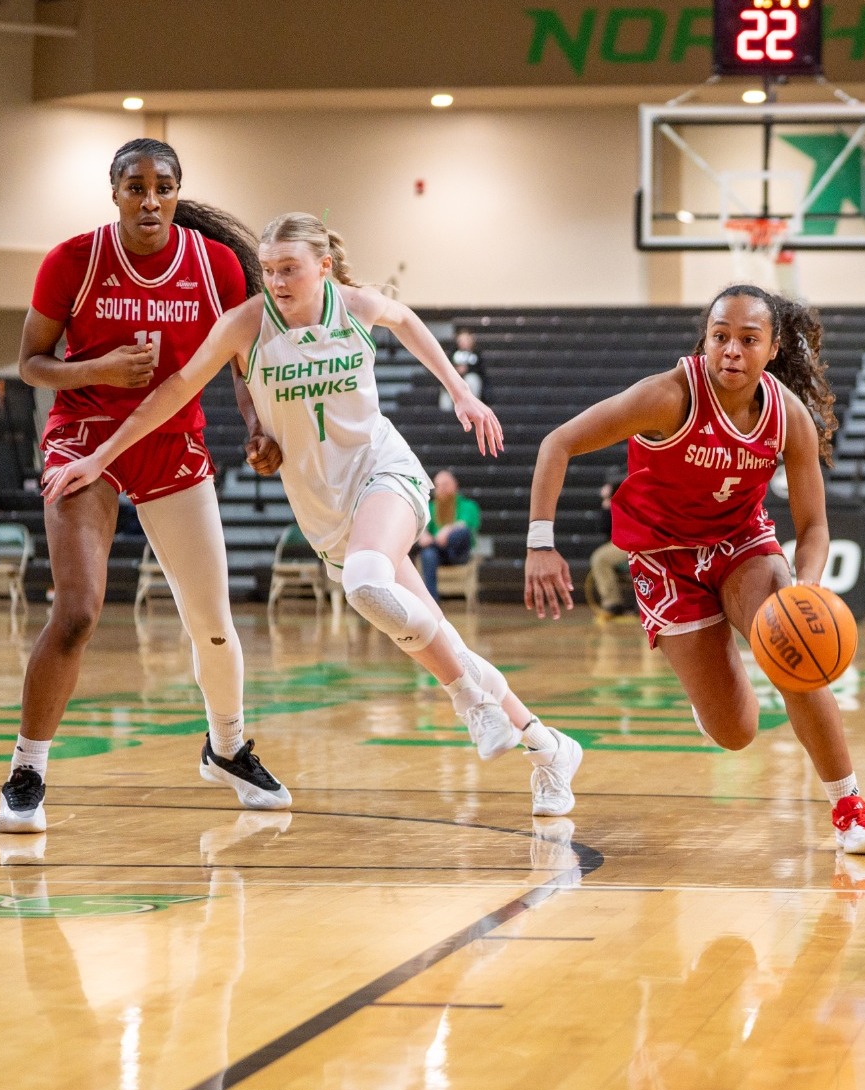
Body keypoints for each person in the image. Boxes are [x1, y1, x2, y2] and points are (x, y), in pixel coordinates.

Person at [43, 212, 583, 817]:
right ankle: (549, 747)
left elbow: (406, 320)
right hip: (324, 510)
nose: (276, 281)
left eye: (290, 270)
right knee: (443, 639)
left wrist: (460, 390)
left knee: (367, 584)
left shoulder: (351, 305)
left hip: (383, 474)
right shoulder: (246, 325)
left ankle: (470, 704)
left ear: (323, 267)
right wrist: (100, 455)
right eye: (269, 270)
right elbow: (173, 392)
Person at [522, 283, 865, 855]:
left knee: (797, 653)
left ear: (771, 350)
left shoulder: (786, 416)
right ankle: (711, 699)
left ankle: (850, 808)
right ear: (706, 339)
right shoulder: (666, 397)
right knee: (737, 732)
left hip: (741, 543)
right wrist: (540, 543)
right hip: (665, 559)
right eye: (721, 337)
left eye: (748, 340)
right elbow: (558, 443)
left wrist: (807, 590)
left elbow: (814, 525)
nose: (732, 351)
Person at [0, 138, 288, 836]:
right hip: (84, 440)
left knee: (211, 622)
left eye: (162, 185)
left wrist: (255, 424)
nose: (149, 198)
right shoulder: (73, 260)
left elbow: (244, 363)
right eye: (135, 186)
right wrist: (99, 370)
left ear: (178, 192)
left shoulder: (215, 265)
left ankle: (227, 747)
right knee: (78, 612)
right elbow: (32, 364)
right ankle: (27, 768)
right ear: (115, 193)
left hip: (173, 442)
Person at [416, 470, 479, 598]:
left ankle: (433, 545)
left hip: (458, 552)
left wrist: (448, 530)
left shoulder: (468, 505)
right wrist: (423, 535)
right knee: (427, 553)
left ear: (455, 485)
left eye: (445, 485)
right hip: (439, 555)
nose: (441, 489)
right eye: (438, 486)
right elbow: (423, 529)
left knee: (461, 532)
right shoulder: (430, 507)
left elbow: (466, 525)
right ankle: (432, 602)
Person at [588, 474, 630, 617]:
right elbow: (605, 528)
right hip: (626, 540)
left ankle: (614, 602)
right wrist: (607, 503)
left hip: (637, 539)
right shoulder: (618, 496)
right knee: (600, 557)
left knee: (601, 558)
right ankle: (613, 603)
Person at [442, 329, 486, 412]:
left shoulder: (476, 354)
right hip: (455, 380)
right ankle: (447, 412)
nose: (463, 342)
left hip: (469, 381)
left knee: (472, 379)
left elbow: (481, 370)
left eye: (466, 340)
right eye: (461, 340)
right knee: (447, 385)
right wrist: (456, 370)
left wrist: (467, 369)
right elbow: (446, 367)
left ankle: (471, 407)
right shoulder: (453, 353)